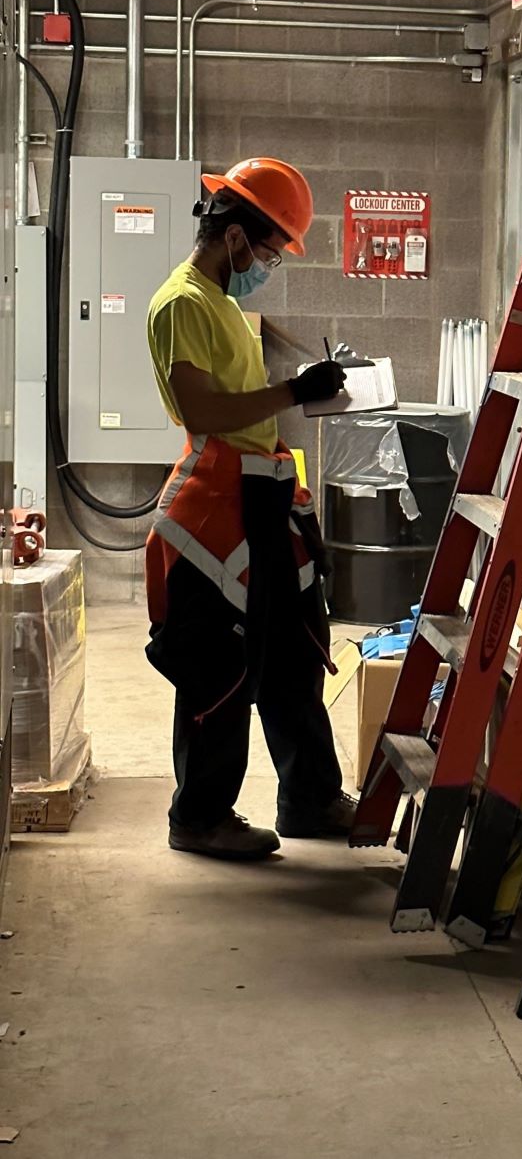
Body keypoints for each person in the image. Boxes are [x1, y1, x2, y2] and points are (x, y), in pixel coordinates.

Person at [145, 156, 356, 861]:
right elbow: (202, 408)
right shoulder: (182, 304)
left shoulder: (223, 305)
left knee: (293, 651)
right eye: (267, 251)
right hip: (217, 507)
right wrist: (293, 395)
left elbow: (243, 402)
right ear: (236, 238)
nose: (268, 265)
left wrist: (298, 393)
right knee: (219, 665)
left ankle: (311, 799)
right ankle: (199, 815)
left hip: (263, 498)